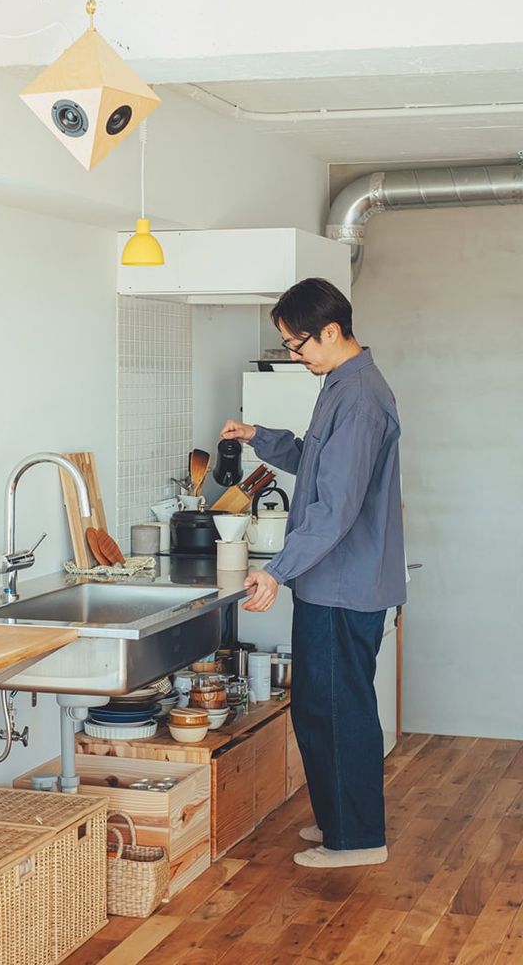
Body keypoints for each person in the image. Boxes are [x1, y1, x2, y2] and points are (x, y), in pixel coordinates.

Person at [220, 277, 406, 869]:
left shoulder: (360, 397)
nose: (295, 357)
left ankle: (356, 839)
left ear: (331, 331)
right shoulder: (339, 384)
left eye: (297, 345)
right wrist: (260, 438)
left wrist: (276, 570)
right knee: (322, 705)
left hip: (344, 583)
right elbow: (315, 461)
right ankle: (339, 820)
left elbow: (335, 509)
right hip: (334, 580)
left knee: (336, 707)